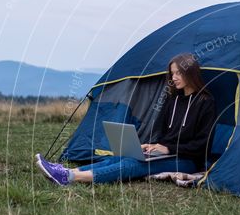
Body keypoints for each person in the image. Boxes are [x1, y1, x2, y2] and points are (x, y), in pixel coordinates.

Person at [36, 53, 217, 185]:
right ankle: (65, 170)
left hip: (189, 160)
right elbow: (165, 135)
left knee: (134, 164)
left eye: (178, 73)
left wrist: (168, 147)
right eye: (172, 73)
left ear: (191, 73)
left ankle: (70, 178)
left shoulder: (206, 102)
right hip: (168, 154)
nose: (174, 78)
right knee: (122, 157)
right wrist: (153, 146)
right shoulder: (173, 99)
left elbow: (203, 145)